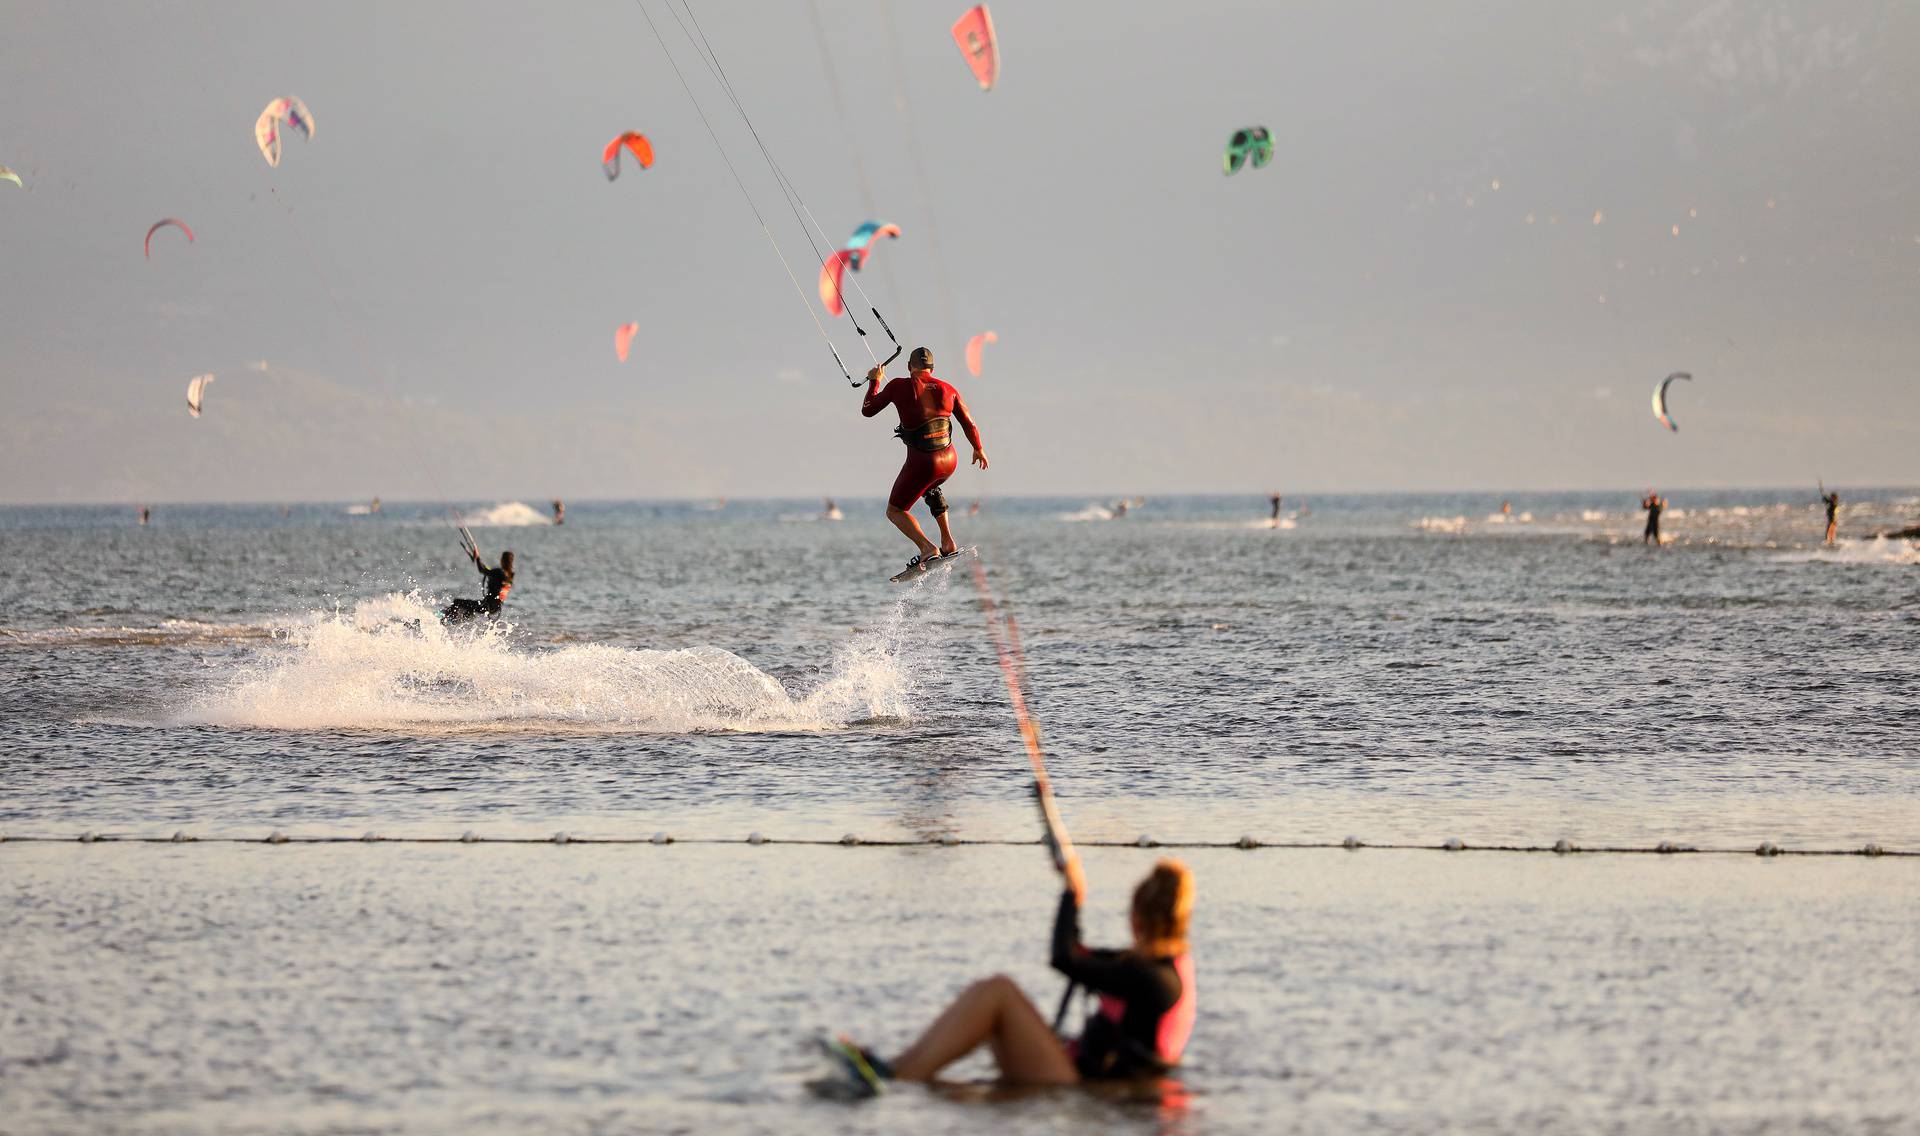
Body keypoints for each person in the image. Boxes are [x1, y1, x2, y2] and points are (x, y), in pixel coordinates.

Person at [827, 858, 1196, 1092]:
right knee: (993, 994)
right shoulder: (1147, 968)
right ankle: (896, 1070)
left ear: (1137, 919)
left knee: (999, 992)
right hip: (1073, 1071)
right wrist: (1071, 894)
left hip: (1080, 1084)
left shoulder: (1156, 980)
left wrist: (1072, 893)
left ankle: (895, 1076)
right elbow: (1080, 954)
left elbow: (1065, 958)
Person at [861, 346, 987, 572]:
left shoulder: (899, 385)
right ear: (932, 368)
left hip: (923, 463)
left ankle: (927, 548)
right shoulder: (949, 389)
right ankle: (948, 542)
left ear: (910, 367)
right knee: (932, 488)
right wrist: (978, 449)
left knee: (895, 511)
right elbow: (969, 423)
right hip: (950, 460)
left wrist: (874, 381)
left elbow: (868, 410)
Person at [444, 548, 514, 624]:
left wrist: (477, 558)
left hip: (487, 605)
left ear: (502, 560)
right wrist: (479, 560)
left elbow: (482, 570)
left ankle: (448, 620)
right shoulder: (510, 576)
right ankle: (462, 621)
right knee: (469, 608)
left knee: (457, 601)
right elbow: (487, 570)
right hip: (495, 608)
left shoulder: (499, 572)